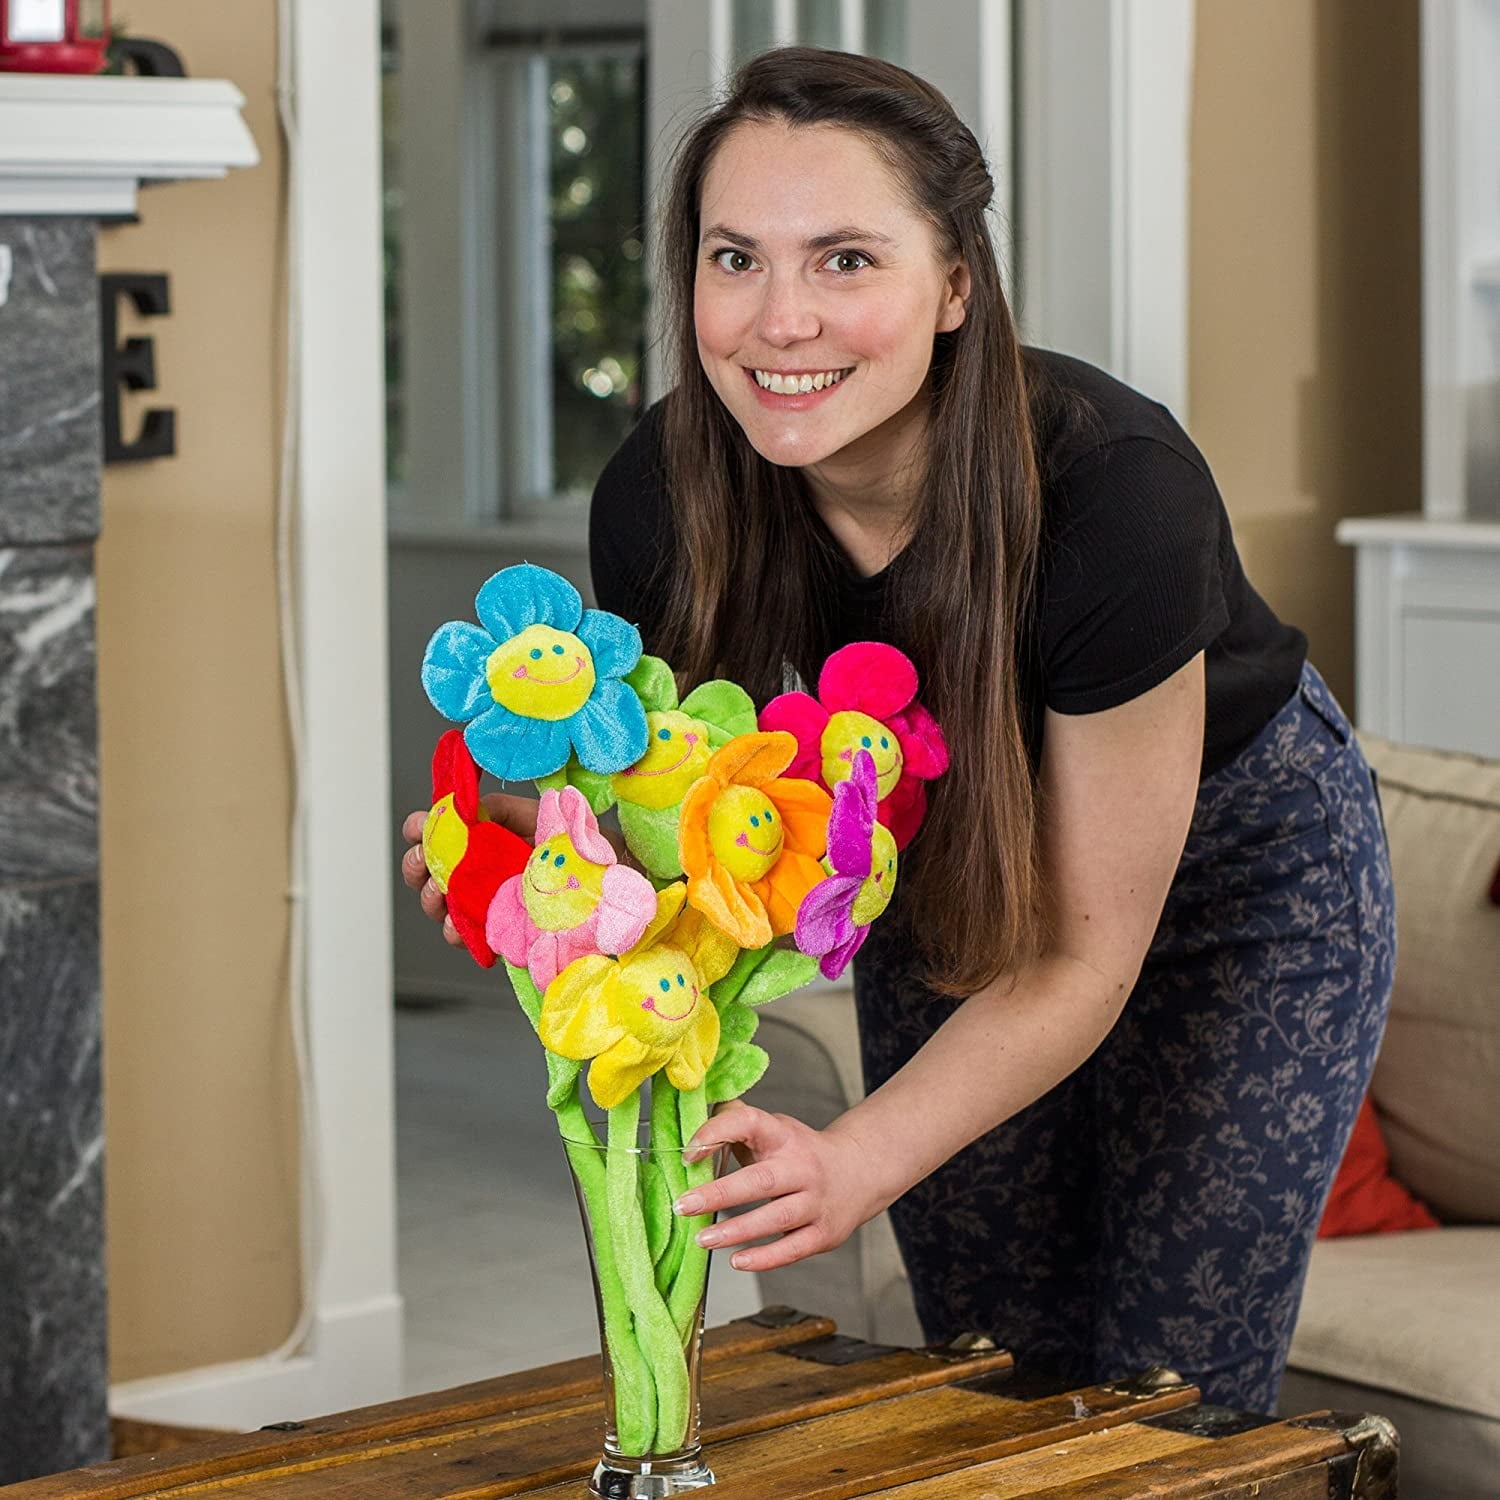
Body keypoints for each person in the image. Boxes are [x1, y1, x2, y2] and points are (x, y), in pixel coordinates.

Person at [401, 47, 1395, 1415]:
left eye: (847, 261)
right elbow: (688, 805)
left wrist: (855, 1157)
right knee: (989, 1372)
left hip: (1237, 889)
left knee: (1172, 1401)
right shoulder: (659, 498)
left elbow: (1083, 958)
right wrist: (543, 860)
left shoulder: (1116, 495)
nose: (780, 320)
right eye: (734, 257)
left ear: (955, 289)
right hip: (945, 857)